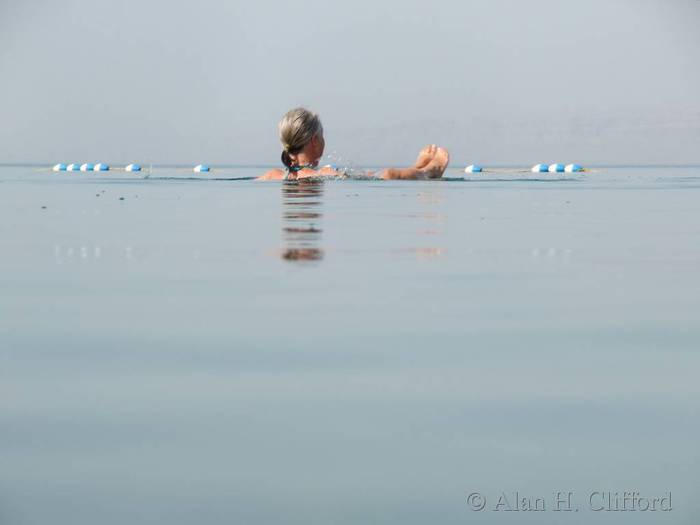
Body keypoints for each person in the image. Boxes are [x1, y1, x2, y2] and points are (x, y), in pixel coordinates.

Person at [257, 108, 449, 181]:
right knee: (388, 174)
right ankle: (428, 171)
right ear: (315, 141)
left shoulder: (271, 175)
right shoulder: (325, 173)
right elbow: (374, 178)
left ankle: (416, 169)